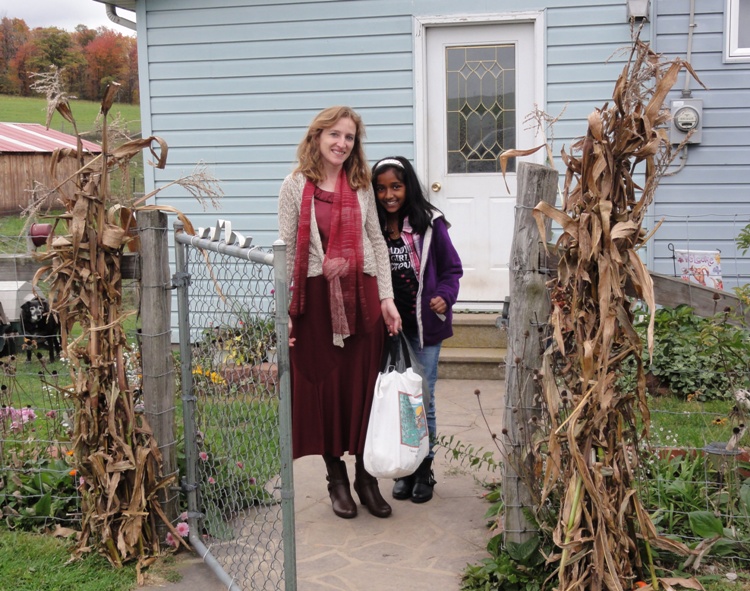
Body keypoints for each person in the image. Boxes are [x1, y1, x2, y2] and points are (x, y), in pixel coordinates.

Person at [278, 107, 402, 519]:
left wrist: (386, 297)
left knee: (362, 391)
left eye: (349, 137)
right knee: (327, 391)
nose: (341, 144)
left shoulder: (361, 184)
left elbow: (377, 243)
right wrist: (287, 312)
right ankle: (337, 478)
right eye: (334, 134)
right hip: (316, 302)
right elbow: (287, 250)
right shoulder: (295, 186)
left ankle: (367, 478)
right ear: (317, 136)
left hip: (362, 298)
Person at [371, 156, 463, 503]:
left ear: (408, 185)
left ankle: (424, 467)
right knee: (395, 398)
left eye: (396, 186)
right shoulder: (374, 227)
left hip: (424, 330)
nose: (389, 195)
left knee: (422, 399)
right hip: (389, 329)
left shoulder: (429, 223)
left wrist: (444, 296)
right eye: (381, 188)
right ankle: (405, 468)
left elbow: (453, 270)